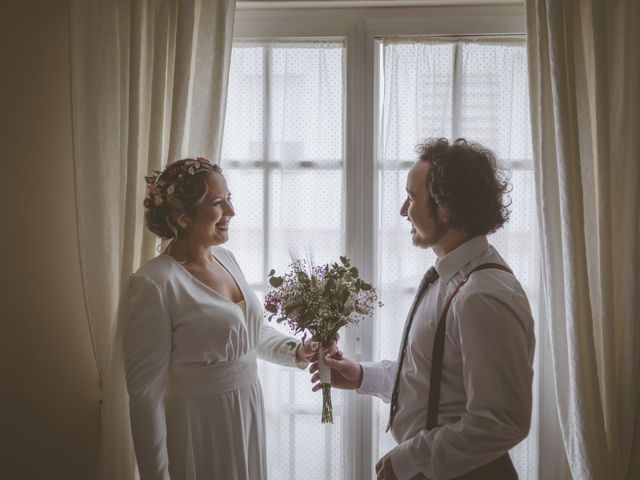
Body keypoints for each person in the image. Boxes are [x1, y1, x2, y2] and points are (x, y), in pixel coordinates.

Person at [312, 138, 535, 480]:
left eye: (412, 198)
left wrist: (410, 459)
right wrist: (362, 375)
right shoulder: (446, 277)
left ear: (445, 207)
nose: (403, 210)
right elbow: (434, 382)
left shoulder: (484, 295)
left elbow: (501, 422)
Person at [123, 157, 323, 480]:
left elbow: (248, 335)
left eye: (229, 199)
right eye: (218, 203)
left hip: (247, 411)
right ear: (182, 216)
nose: (230, 212)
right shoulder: (155, 283)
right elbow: (145, 395)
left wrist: (296, 351)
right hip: (199, 424)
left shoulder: (227, 259)